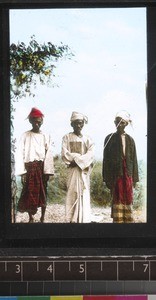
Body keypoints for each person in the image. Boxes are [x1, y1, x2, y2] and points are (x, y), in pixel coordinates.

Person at [16, 107, 54, 223]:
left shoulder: (45, 136)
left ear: (42, 122)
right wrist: (22, 172)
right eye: (35, 122)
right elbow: (19, 154)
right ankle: (31, 217)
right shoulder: (25, 136)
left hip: (41, 168)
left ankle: (42, 217)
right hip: (29, 168)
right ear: (31, 122)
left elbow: (49, 154)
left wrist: (47, 171)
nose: (37, 124)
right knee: (29, 192)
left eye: (39, 122)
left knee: (43, 192)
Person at [102, 110, 139, 223]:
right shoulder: (109, 138)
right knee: (117, 196)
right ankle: (117, 222)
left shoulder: (130, 140)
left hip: (127, 174)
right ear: (114, 122)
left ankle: (127, 221)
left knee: (127, 196)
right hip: (116, 174)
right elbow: (106, 160)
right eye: (117, 122)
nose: (119, 125)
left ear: (126, 124)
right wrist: (107, 179)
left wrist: (135, 179)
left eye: (122, 122)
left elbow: (134, 160)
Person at [61, 111, 94, 223]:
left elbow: (90, 154)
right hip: (72, 171)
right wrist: (78, 159)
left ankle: (83, 218)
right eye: (76, 123)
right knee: (72, 192)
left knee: (83, 193)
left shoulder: (88, 139)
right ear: (72, 124)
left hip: (83, 171)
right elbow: (65, 153)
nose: (79, 126)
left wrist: (78, 160)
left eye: (81, 123)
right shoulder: (67, 137)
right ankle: (71, 218)